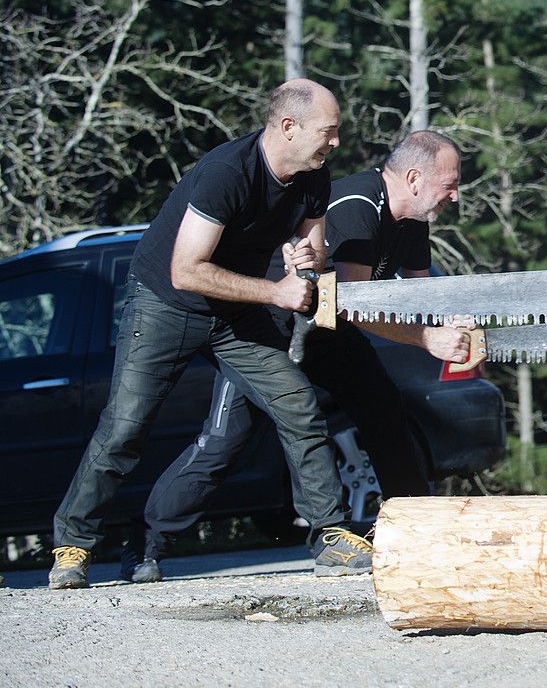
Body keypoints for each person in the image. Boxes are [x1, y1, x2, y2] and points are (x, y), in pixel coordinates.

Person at [50, 79, 372, 589]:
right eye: (328, 132)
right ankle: (73, 546)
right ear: (288, 127)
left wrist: (306, 261)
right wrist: (275, 293)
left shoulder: (313, 175)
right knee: (125, 429)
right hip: (165, 303)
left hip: (235, 312)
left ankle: (331, 534)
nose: (335, 143)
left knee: (297, 405)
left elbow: (312, 249)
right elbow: (186, 271)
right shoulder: (226, 172)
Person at [119, 130, 474, 583]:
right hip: (270, 329)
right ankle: (145, 542)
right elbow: (352, 303)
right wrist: (427, 338)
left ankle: (422, 531)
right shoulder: (359, 205)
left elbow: (420, 291)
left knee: (385, 411)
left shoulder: (413, 220)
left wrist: (454, 319)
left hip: (326, 330)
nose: (455, 194)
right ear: (414, 177)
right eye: (450, 183)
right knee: (225, 442)